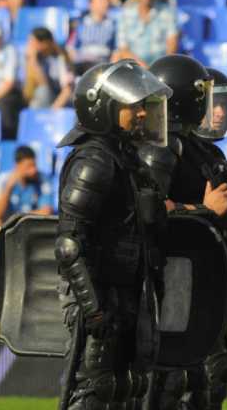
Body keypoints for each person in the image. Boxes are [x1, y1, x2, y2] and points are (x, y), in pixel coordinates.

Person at [55, 59, 172, 409]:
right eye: (132, 106)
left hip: (127, 295)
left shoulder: (126, 158)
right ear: (103, 108)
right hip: (101, 297)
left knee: (127, 390)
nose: (141, 113)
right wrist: (93, 310)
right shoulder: (95, 160)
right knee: (96, 390)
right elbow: (69, 244)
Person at [142, 57, 227, 410]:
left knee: (209, 380)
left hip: (203, 281)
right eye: (203, 96)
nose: (211, 108)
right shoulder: (160, 148)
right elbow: (150, 209)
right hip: (171, 283)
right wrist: (204, 211)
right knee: (169, 382)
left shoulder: (203, 151)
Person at [0, 145, 54, 253]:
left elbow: (46, 211)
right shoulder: (3, 180)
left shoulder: (42, 180)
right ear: (17, 166)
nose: (33, 170)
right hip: (8, 224)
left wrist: (18, 217)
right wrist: (8, 188)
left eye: (34, 165)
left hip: (31, 223)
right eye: (29, 166)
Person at [112, 0, 179, 67]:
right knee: (116, 56)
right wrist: (143, 67)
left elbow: (172, 43)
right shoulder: (126, 14)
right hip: (134, 65)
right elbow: (123, 48)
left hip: (160, 65)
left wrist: (163, 66)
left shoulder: (167, 12)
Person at [67, 0, 118, 75]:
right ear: (90, 4)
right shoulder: (79, 23)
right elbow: (70, 48)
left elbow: (116, 50)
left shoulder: (113, 25)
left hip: (103, 66)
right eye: (101, 0)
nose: (105, 3)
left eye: (107, 0)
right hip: (82, 66)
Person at [24, 27, 73, 109]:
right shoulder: (32, 59)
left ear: (45, 43)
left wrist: (52, 110)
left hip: (59, 100)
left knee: (43, 92)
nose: (30, 46)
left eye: (33, 42)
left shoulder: (61, 58)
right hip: (39, 99)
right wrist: (33, 61)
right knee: (41, 93)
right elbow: (37, 86)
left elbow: (67, 90)